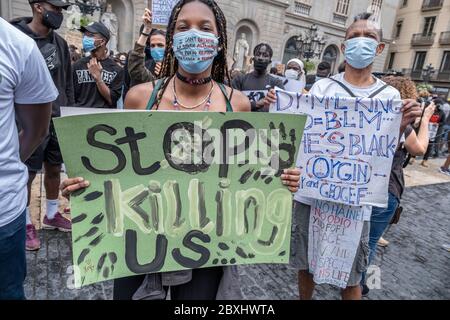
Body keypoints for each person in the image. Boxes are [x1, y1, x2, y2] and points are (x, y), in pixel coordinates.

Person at [59, 0, 301, 300]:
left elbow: (246, 173)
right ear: (172, 38)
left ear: (219, 39)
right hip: (140, 243)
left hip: (206, 244)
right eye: (183, 27)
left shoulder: (236, 103)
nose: (194, 35)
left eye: (205, 28)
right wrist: (83, 185)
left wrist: (281, 180)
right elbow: (114, 171)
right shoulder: (140, 97)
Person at [281, 12, 421, 300]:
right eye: (354, 36)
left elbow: (385, 150)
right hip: (314, 191)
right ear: (343, 47)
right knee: (305, 262)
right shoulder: (322, 87)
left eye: (369, 37)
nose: (361, 42)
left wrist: (403, 124)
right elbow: (303, 136)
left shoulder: (389, 97)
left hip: (357, 197)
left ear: (380, 48)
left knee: (353, 272)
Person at [360, 75, 435, 296]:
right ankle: (362, 284)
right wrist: (427, 119)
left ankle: (351, 280)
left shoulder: (370, 117)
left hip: (362, 186)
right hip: (387, 190)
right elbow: (419, 149)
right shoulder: (403, 127)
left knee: (357, 237)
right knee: (370, 242)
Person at [0, 16, 57, 299]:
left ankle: (47, 215)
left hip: (3, 215)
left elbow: (36, 128)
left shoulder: (16, 46)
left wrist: (8, 160)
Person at [12, 0, 74, 251]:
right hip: (27, 122)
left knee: (54, 168)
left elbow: (66, 82)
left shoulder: (59, 43)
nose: (59, 13)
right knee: (26, 173)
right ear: (38, 7)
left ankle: (51, 213)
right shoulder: (15, 38)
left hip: (57, 118)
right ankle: (26, 222)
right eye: (55, 8)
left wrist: (68, 113)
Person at [73, 21, 124, 109]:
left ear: (102, 41)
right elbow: (70, 95)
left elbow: (112, 100)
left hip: (103, 118)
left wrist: (98, 79)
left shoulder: (116, 70)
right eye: (85, 35)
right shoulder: (77, 65)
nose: (86, 38)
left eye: (91, 35)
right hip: (79, 116)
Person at [231, 43, 284, 112]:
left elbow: (282, 107)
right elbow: (232, 103)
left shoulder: (276, 83)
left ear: (270, 61)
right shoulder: (239, 80)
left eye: (265, 55)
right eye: (258, 54)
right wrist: (257, 104)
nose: (260, 58)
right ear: (253, 58)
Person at [128, 8, 167, 87]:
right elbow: (136, 69)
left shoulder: (179, 68)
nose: (156, 49)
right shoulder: (147, 66)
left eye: (160, 45)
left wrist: (165, 75)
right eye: (153, 46)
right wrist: (146, 30)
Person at [421, 100, 446, 167]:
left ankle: (425, 160)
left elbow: (443, 122)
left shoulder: (442, 113)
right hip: (424, 129)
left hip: (433, 132)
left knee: (430, 145)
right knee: (420, 142)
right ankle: (412, 157)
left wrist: (437, 124)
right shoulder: (429, 110)